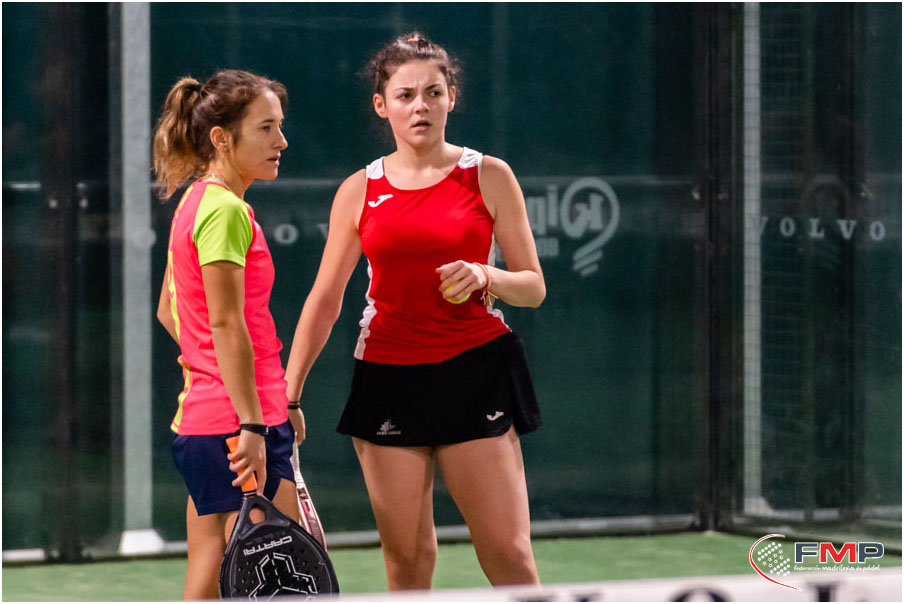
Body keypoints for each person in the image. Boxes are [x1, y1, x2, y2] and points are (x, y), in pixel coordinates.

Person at [284, 33, 546, 590]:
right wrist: (289, 394)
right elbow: (325, 299)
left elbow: (532, 288)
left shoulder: (490, 175)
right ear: (382, 105)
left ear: (452, 97)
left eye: (433, 92)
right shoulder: (359, 190)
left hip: (476, 372)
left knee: (510, 556)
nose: (420, 106)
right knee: (407, 562)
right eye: (405, 95)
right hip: (388, 377)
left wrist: (486, 275)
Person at [153, 69, 305, 600]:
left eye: (279, 126)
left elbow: (170, 311)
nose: (281, 141)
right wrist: (252, 422)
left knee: (209, 572)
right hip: (237, 428)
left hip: (211, 420)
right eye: (266, 128)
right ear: (221, 138)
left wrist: (253, 395)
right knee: (283, 577)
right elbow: (226, 323)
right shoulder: (225, 211)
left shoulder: (195, 202)